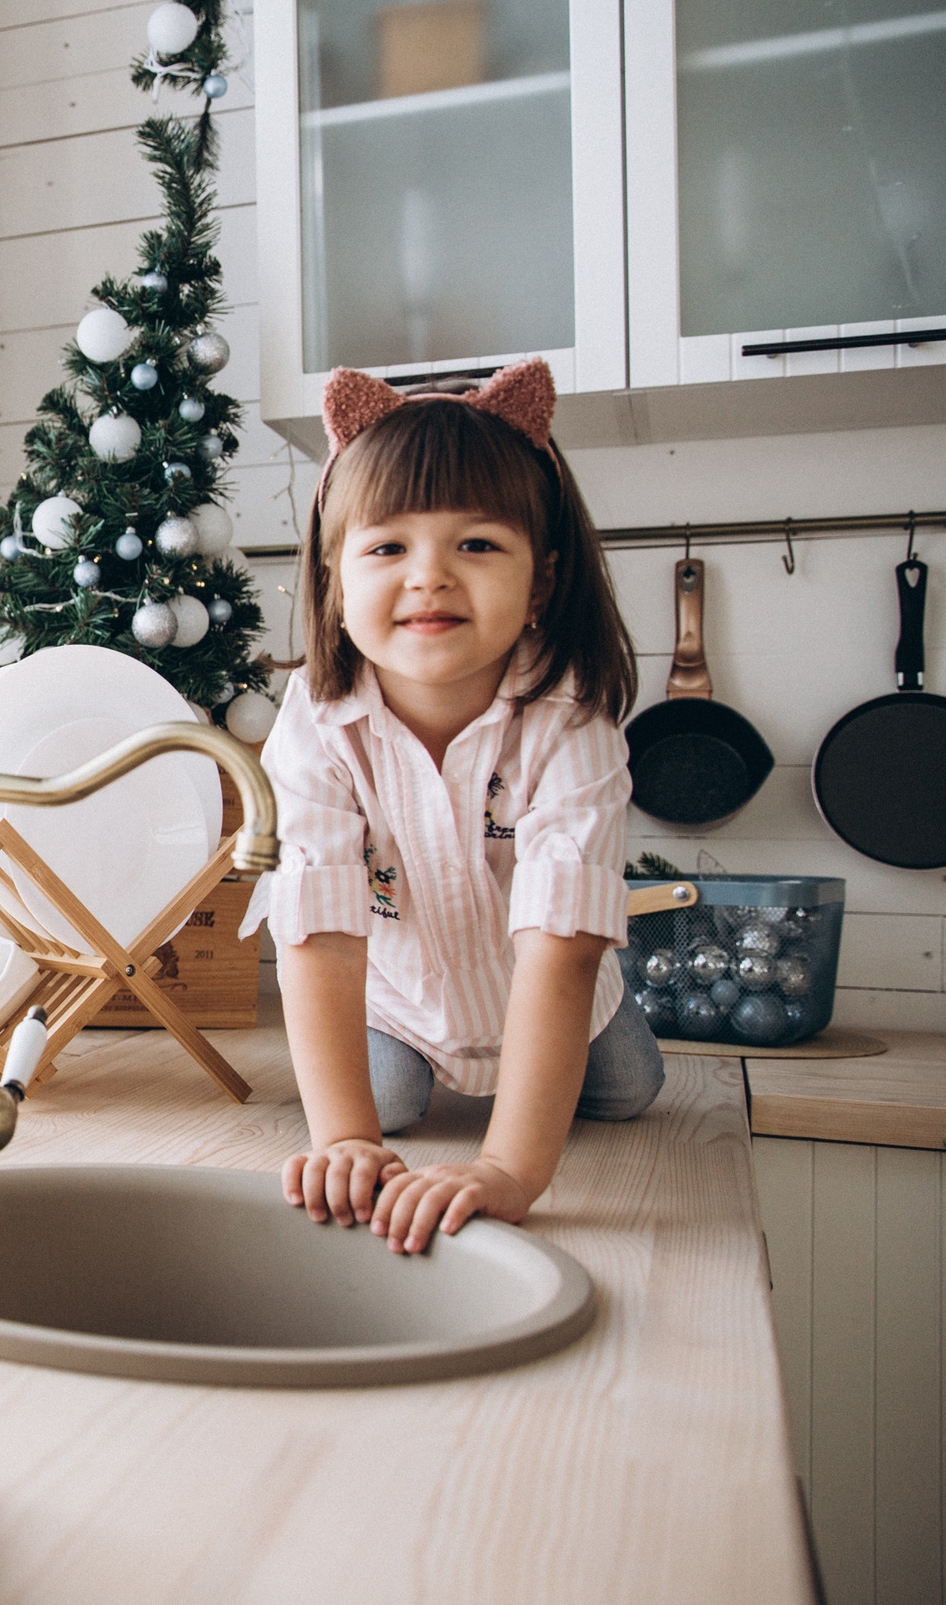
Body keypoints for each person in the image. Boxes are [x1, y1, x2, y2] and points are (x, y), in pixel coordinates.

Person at [238, 358, 661, 1255]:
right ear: (335, 576)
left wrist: (509, 1166)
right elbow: (316, 932)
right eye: (388, 548)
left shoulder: (571, 718)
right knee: (381, 1108)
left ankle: (552, 1083)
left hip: (553, 996)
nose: (428, 576)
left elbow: (564, 950)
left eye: (476, 545)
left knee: (627, 1092)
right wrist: (347, 1140)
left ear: (541, 583)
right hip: (399, 1002)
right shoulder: (316, 722)